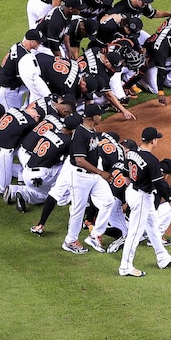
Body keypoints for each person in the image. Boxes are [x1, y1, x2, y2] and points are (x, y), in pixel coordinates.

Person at [118, 127, 171, 277]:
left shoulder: (132, 151)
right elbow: (160, 184)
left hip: (133, 192)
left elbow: (126, 174)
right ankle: (125, 267)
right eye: (157, 139)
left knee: (153, 226)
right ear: (153, 140)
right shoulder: (152, 161)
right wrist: (170, 199)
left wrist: (135, 185)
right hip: (141, 198)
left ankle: (163, 257)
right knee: (134, 233)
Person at [61, 104, 115, 254]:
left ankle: (95, 235)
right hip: (79, 176)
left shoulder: (91, 130)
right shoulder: (80, 133)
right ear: (93, 117)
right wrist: (100, 172)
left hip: (93, 176)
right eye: (100, 114)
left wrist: (98, 173)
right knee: (78, 210)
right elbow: (79, 160)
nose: (101, 116)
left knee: (108, 201)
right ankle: (70, 241)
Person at [0, 29, 44, 110]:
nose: (40, 44)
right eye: (38, 42)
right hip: (7, 91)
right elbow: (25, 78)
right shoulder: (22, 57)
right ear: (32, 42)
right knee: (10, 116)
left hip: (8, 85)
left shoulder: (18, 45)